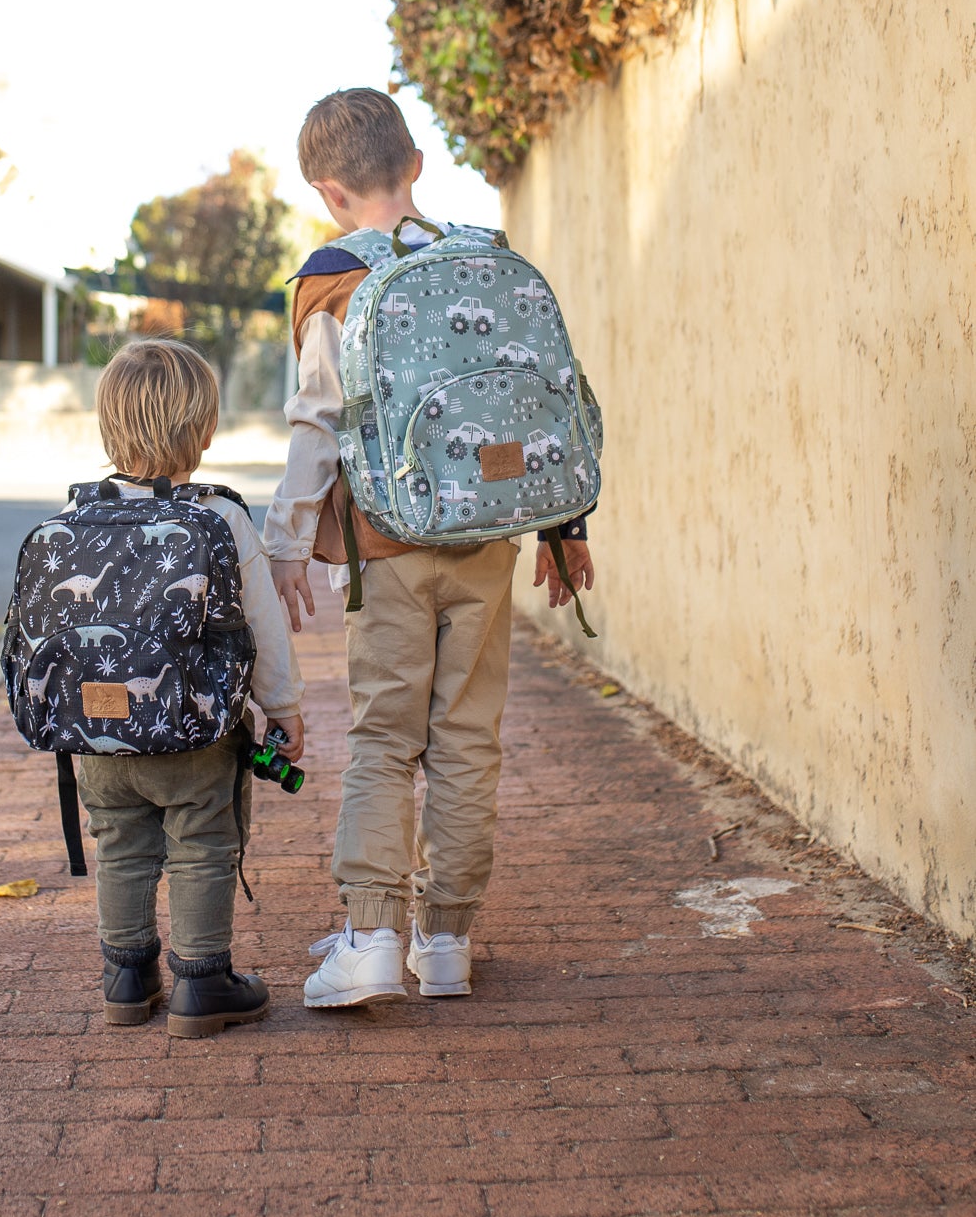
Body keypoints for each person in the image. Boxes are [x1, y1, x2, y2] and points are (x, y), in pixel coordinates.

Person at [263, 88, 596, 1007]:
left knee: (382, 738)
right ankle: (445, 938)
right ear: (416, 164)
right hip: (488, 538)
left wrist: (287, 541)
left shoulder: (330, 275)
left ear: (329, 191)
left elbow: (317, 419)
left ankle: (371, 933)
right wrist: (564, 527)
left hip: (388, 544)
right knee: (465, 736)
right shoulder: (488, 259)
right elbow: (546, 397)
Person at [79, 339, 305, 1037]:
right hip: (197, 732)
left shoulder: (80, 516)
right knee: (204, 843)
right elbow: (260, 628)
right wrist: (284, 710)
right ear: (204, 431)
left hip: (99, 733)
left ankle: (125, 976)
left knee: (119, 841)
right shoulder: (221, 517)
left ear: (107, 425)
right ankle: (203, 982)